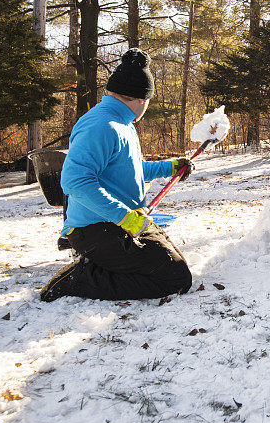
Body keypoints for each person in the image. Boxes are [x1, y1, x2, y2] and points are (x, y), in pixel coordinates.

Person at [40, 49, 193, 302]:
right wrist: (123, 217)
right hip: (96, 228)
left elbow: (131, 172)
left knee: (175, 264)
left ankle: (103, 266)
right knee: (174, 278)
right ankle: (82, 278)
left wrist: (171, 167)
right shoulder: (102, 125)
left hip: (120, 222)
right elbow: (74, 180)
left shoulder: (121, 123)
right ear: (142, 99)